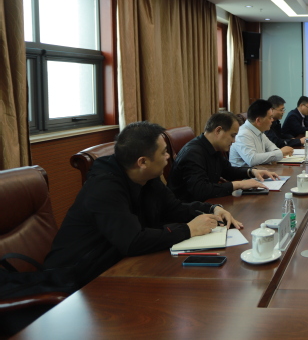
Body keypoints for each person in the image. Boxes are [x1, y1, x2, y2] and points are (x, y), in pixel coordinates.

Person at [43, 121, 240, 292]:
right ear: (143, 162)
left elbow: (174, 207)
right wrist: (188, 230)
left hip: (122, 265)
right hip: (79, 278)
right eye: (163, 152)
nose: (169, 156)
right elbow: (132, 241)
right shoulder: (104, 188)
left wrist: (212, 210)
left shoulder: (147, 176)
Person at [168, 111, 277, 202]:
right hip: (188, 212)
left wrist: (252, 172)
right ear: (218, 130)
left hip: (207, 204)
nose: (234, 141)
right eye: (232, 135)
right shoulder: (193, 153)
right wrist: (238, 184)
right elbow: (201, 190)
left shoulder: (214, 147)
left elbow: (228, 171)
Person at [229, 99, 294, 166]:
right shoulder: (243, 134)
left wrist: (277, 155)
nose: (272, 120)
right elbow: (252, 159)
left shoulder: (259, 131)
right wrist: (280, 153)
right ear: (258, 120)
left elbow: (271, 147)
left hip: (260, 170)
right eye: (270, 117)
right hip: (246, 172)